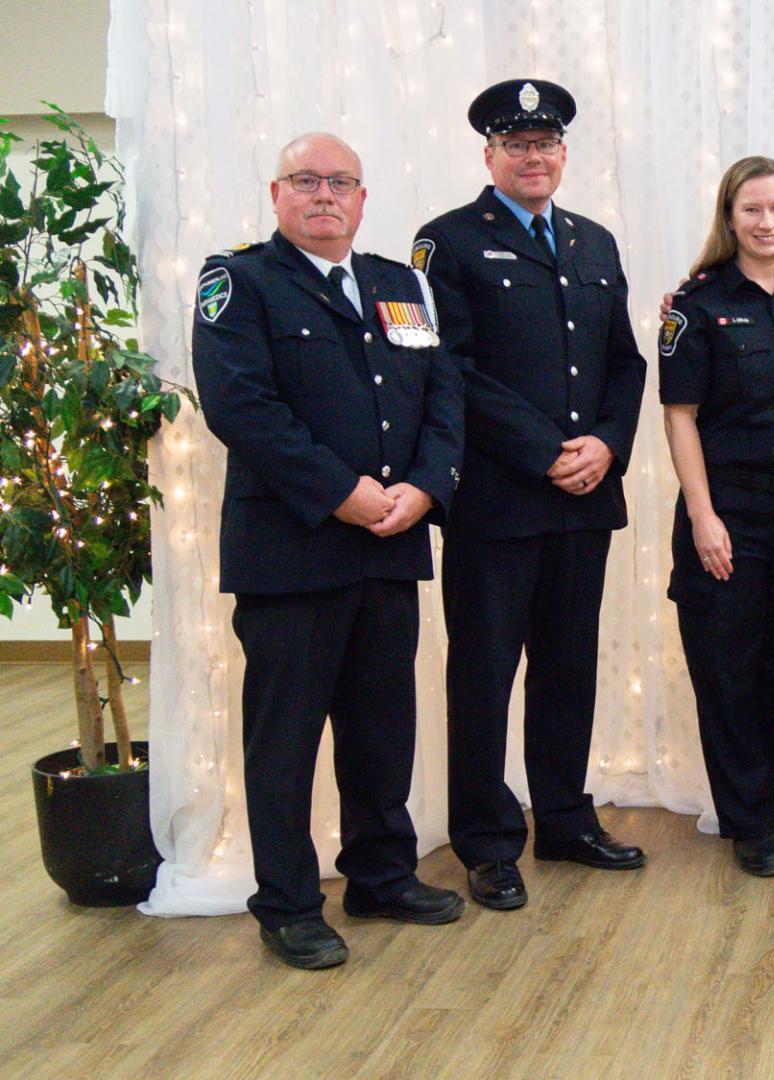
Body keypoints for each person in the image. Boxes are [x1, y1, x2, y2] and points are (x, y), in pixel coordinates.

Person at [192, 132, 465, 969]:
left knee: (383, 728)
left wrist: (426, 488)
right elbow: (239, 406)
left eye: (340, 182)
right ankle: (287, 905)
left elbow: (442, 394)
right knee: (285, 742)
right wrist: (341, 490)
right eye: (306, 181)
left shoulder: (399, 285)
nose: (324, 195)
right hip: (292, 551)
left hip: (389, 543)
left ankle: (380, 876)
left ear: (362, 198)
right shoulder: (239, 281)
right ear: (277, 194)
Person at [413, 79, 647, 912]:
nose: (533, 156)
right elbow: (449, 368)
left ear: (563, 153)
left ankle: (566, 819)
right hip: (499, 502)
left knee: (568, 667)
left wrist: (607, 444)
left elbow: (625, 363)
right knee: (484, 674)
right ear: (490, 155)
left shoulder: (595, 243)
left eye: (545, 144)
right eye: (516, 144)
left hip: (585, 495)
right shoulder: (446, 243)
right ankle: (485, 840)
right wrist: (546, 451)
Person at [660, 157, 774, 877]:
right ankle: (744, 821)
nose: (767, 223)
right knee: (727, 669)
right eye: (752, 210)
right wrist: (702, 515)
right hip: (727, 506)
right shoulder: (697, 304)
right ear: (729, 218)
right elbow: (680, 415)